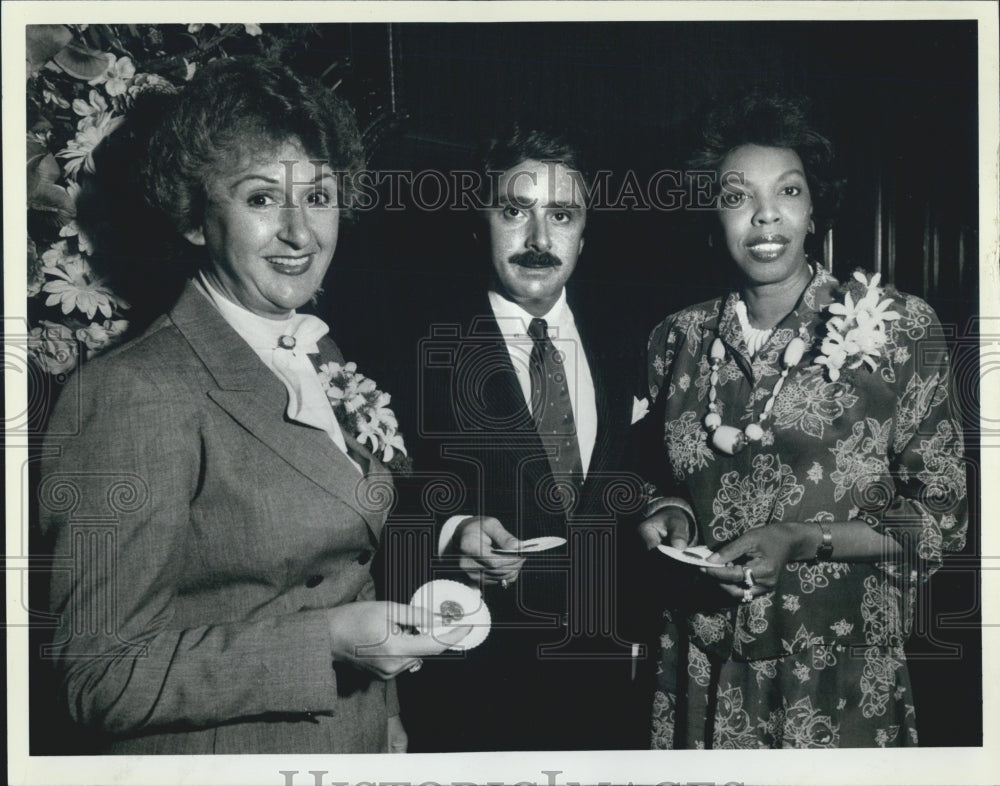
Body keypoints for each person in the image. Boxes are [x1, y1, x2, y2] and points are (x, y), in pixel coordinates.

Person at [38, 57, 467, 755]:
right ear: (195, 218)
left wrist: (381, 715)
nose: (301, 233)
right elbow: (98, 678)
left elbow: (347, 561)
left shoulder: (317, 351)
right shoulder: (133, 393)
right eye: (262, 199)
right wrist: (326, 644)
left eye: (319, 196)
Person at [638, 93, 967, 748]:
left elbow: (940, 522)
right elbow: (661, 479)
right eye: (737, 196)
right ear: (713, 214)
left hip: (837, 675)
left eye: (788, 191)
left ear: (814, 208)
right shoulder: (675, 339)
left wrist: (799, 537)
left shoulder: (898, 327)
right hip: (703, 674)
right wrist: (666, 517)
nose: (766, 214)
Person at [392, 124, 649, 751]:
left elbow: (643, 474)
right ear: (480, 222)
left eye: (561, 214)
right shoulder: (410, 348)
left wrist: (662, 506)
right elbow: (374, 503)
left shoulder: (627, 341)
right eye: (514, 210)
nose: (538, 239)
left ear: (584, 235)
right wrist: (452, 532)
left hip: (613, 689)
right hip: (476, 693)